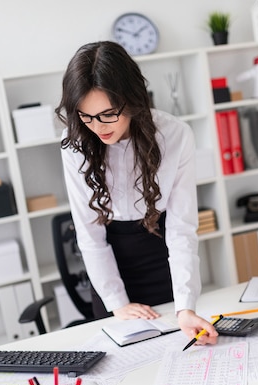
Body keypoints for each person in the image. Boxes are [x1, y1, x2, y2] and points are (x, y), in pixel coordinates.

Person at [55, 41, 217, 347]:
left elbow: (181, 229)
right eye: (86, 117)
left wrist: (185, 306)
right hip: (110, 263)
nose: (97, 127)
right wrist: (117, 302)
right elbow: (90, 235)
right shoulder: (75, 141)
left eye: (107, 114)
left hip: (162, 256)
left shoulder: (175, 135)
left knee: (176, 349)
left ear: (130, 100)